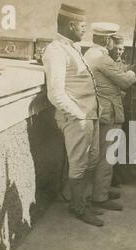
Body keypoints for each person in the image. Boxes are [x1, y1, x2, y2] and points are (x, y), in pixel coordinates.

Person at [42, 4, 104, 226]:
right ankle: (78, 208)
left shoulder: (73, 47)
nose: (85, 30)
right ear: (70, 25)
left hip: (89, 116)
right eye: (83, 26)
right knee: (79, 163)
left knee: (92, 160)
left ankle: (83, 201)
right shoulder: (55, 51)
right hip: (77, 118)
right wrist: (78, 115)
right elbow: (55, 93)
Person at [84, 23, 136, 211]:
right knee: (107, 155)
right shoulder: (103, 58)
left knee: (100, 154)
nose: (114, 45)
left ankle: (101, 189)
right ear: (107, 40)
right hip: (108, 112)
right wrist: (131, 72)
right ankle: (100, 197)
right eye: (113, 40)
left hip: (98, 110)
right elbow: (124, 82)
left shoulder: (89, 54)